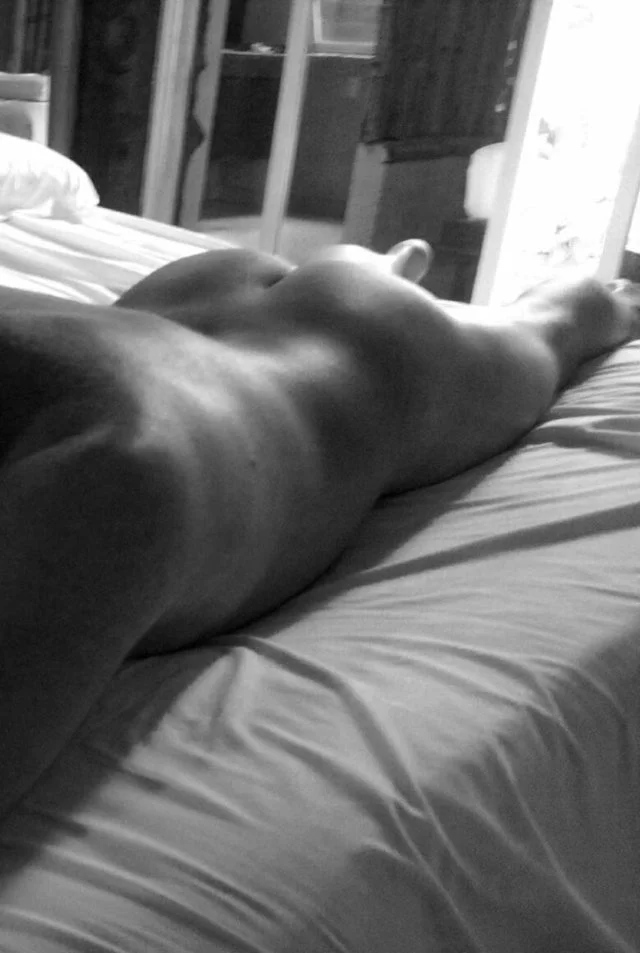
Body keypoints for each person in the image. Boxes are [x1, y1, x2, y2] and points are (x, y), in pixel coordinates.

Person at [0, 239, 637, 819]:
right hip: (183, 315)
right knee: (380, 277)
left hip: (376, 345)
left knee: (562, 320)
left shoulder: (94, 492)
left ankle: (605, 293)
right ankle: (389, 261)